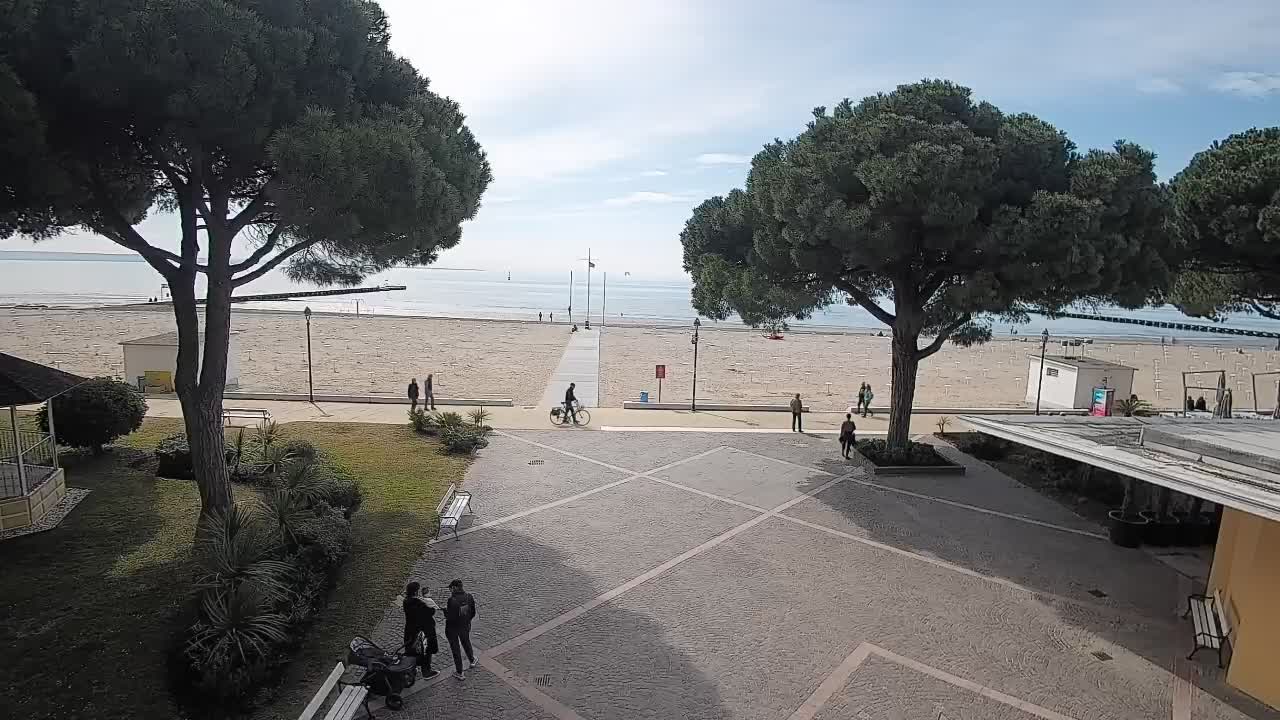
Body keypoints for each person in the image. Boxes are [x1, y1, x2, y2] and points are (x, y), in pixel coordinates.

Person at [402, 582, 440, 679]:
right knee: (426, 651)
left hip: (411, 630)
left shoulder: (406, 601)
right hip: (423, 631)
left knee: (412, 650)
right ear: (415, 592)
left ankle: (412, 668)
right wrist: (427, 603)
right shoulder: (419, 604)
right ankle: (426, 672)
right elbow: (430, 611)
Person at [445, 579, 478, 680]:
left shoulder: (451, 600)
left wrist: (445, 612)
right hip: (464, 626)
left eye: (451, 588)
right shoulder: (469, 596)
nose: (450, 590)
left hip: (452, 629)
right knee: (466, 642)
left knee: (455, 649)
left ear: (454, 588)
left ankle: (460, 672)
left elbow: (450, 617)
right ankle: (472, 660)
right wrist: (467, 621)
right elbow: (473, 612)